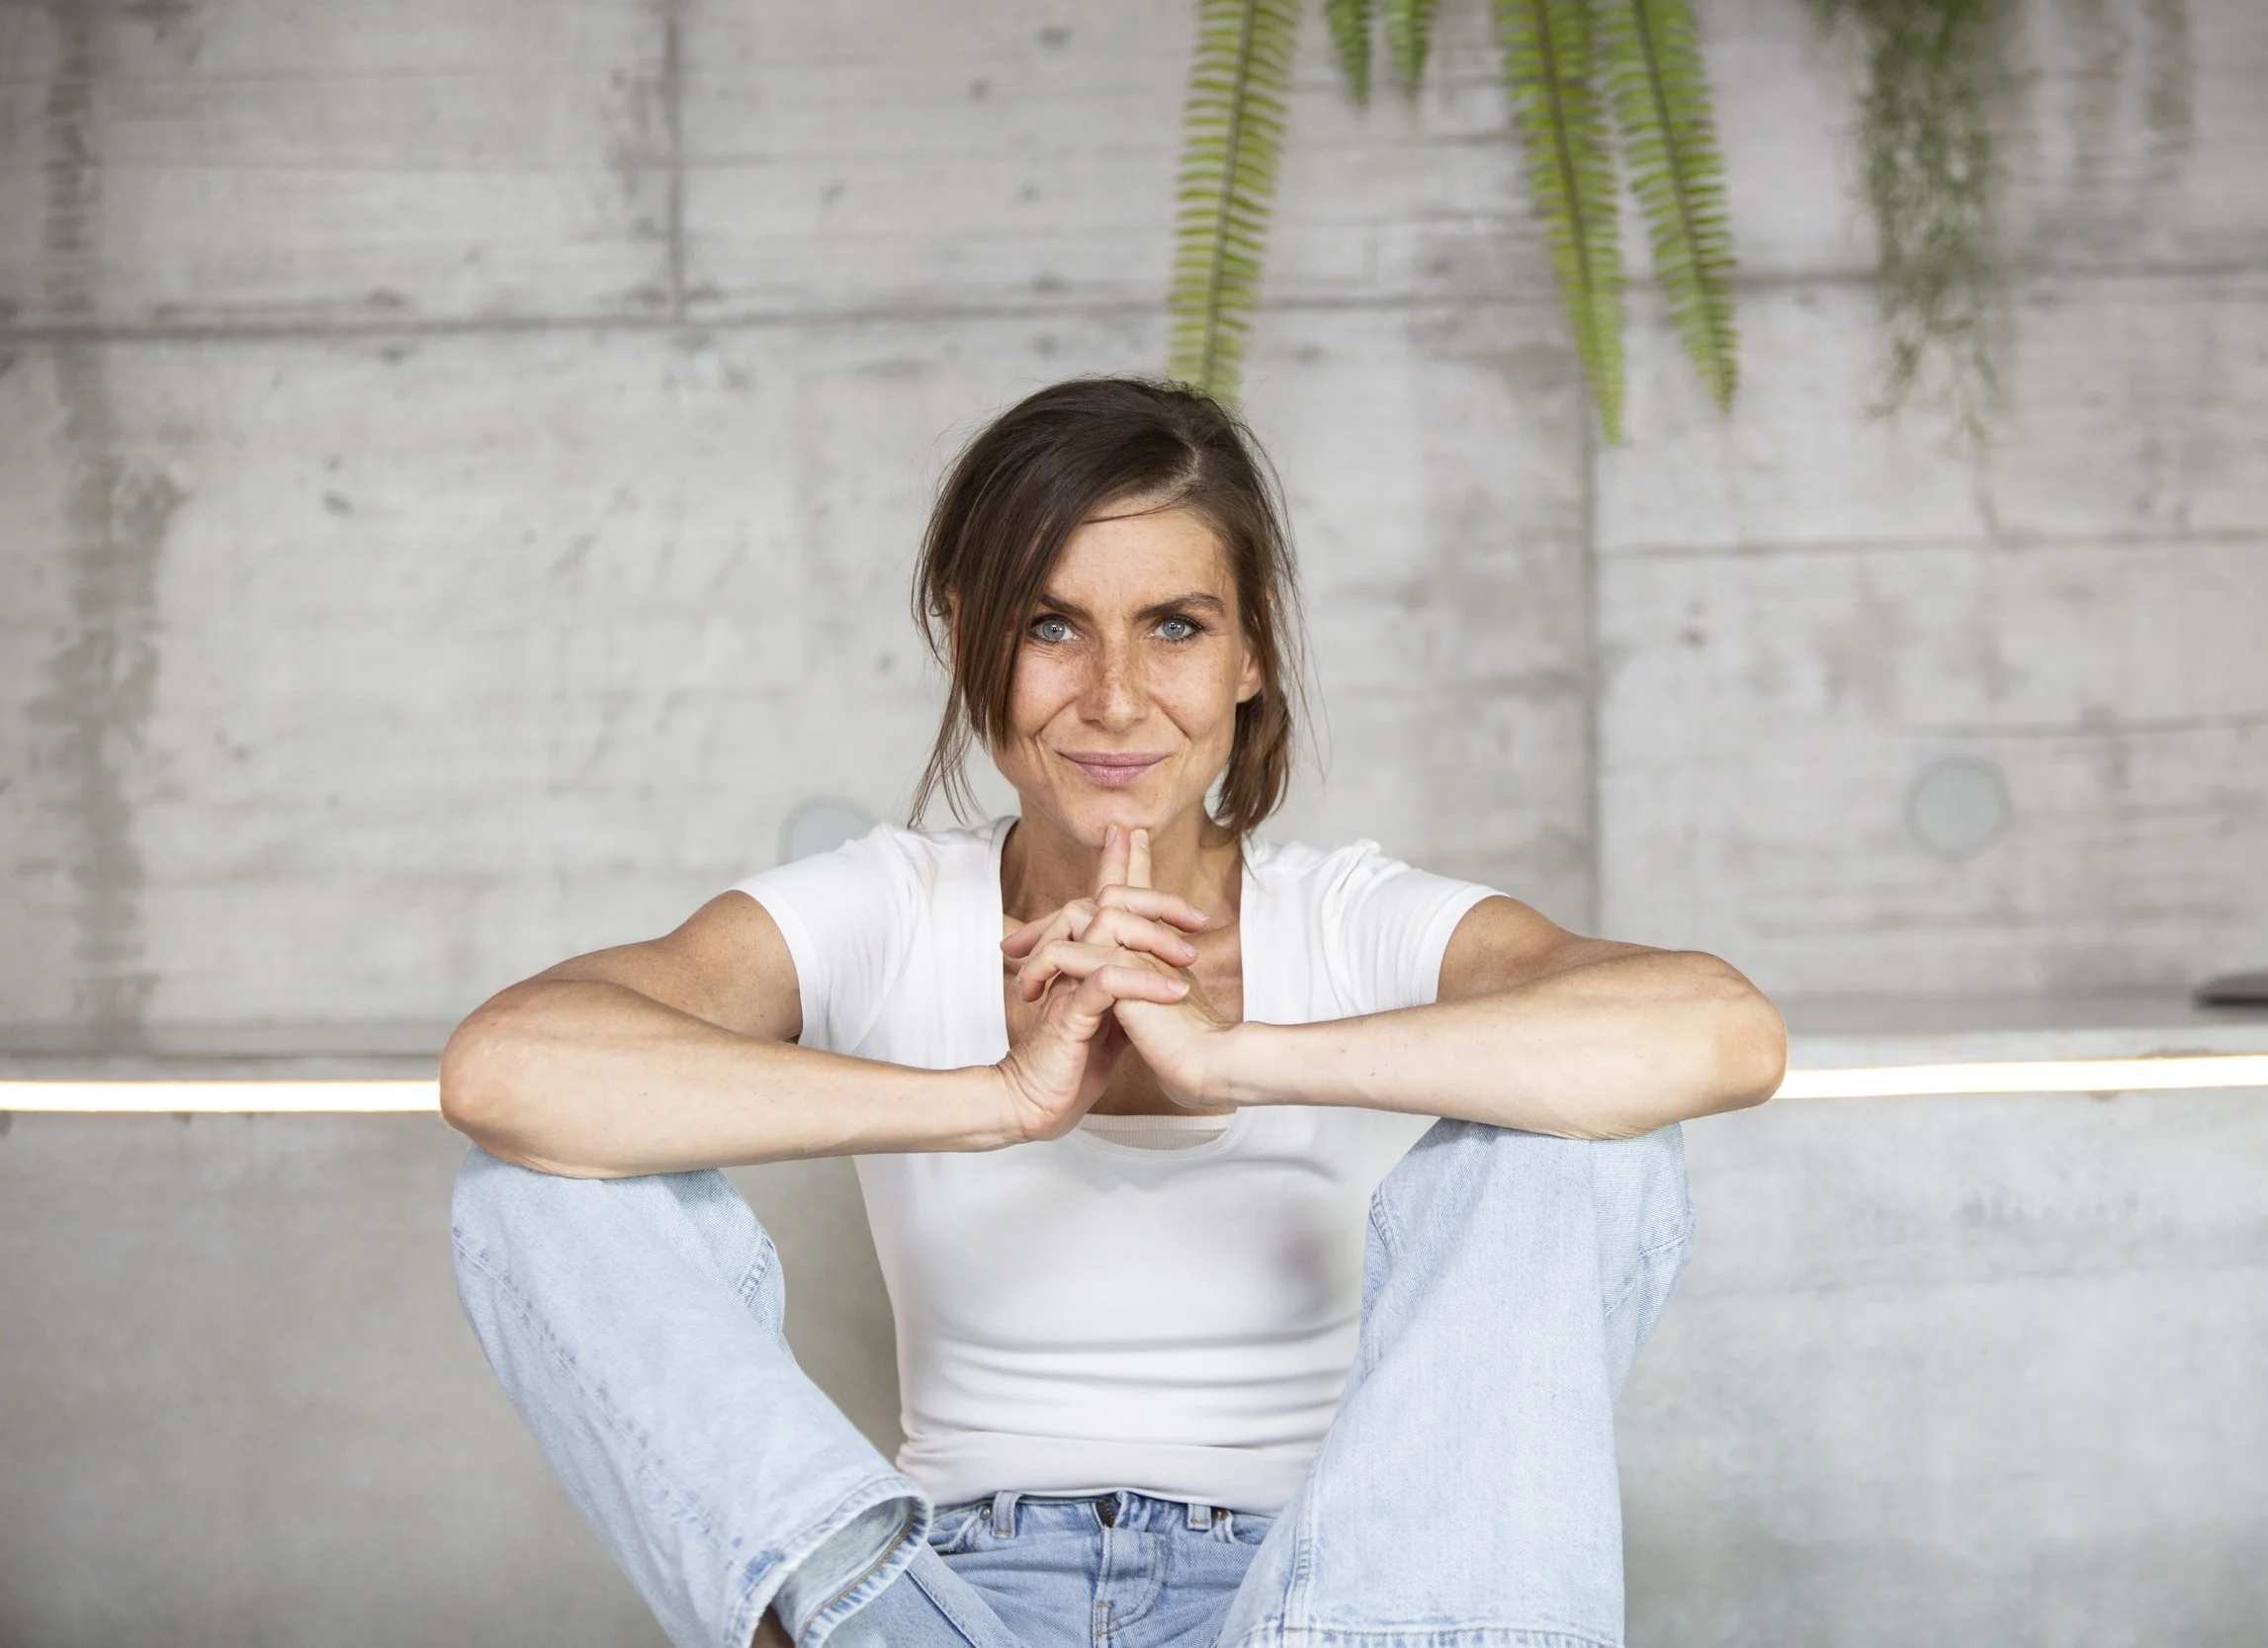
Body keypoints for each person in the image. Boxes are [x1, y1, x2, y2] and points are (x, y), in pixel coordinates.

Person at [441, 376, 1786, 1648]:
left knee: (1583, 1144)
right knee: (532, 1193)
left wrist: (1238, 1054)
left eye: (1176, 625)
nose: (1117, 697)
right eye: (1051, 624)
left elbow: (1720, 1032)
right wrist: (999, 1096)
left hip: (1321, 1592)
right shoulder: (888, 904)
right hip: (941, 1606)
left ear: (1252, 651)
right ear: (972, 638)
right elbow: (508, 1068)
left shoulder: (1353, 916)